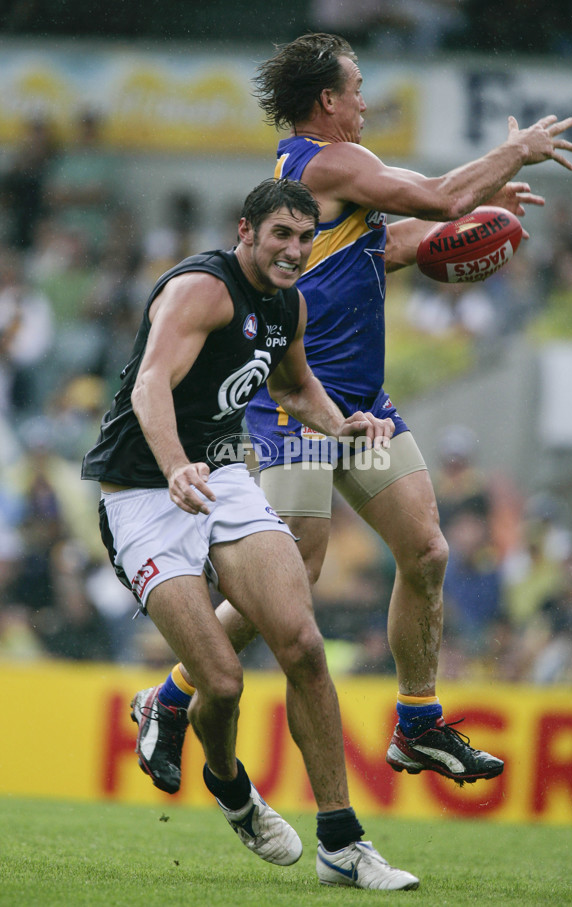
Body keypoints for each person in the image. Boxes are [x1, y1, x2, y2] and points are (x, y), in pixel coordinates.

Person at [131, 34, 572, 793]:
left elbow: (395, 242)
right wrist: (518, 154)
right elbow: (437, 197)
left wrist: (479, 210)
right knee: (291, 581)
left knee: (428, 551)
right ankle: (169, 695)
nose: (366, 100)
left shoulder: (336, 180)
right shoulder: (328, 162)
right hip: (301, 406)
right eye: (358, 87)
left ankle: (417, 721)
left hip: (363, 407)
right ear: (328, 101)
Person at [82, 178, 419, 890]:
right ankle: (234, 790)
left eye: (305, 237)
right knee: (225, 682)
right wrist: (174, 468)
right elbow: (149, 386)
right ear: (246, 231)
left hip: (223, 476)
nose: (296, 250)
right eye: (282, 237)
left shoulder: (285, 303)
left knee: (301, 641)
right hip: (144, 493)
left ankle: (342, 841)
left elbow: (294, 388)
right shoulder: (203, 289)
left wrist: (343, 423)